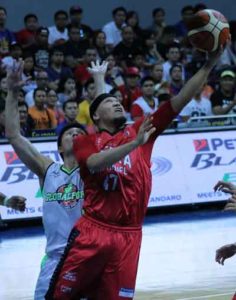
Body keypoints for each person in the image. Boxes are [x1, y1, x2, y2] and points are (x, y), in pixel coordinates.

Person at [46, 48, 222, 299]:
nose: (116, 102)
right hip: (93, 231)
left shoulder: (141, 130)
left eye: (118, 101)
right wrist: (133, 145)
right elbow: (95, 163)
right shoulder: (87, 141)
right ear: (95, 115)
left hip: (129, 236)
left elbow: (179, 99)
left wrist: (209, 64)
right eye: (109, 102)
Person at [4, 60, 86, 299]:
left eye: (81, 133)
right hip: (56, 259)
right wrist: (12, 91)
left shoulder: (94, 170)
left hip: (89, 256)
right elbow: (14, 135)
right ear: (60, 147)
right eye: (70, 133)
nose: (76, 135)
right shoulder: (48, 169)